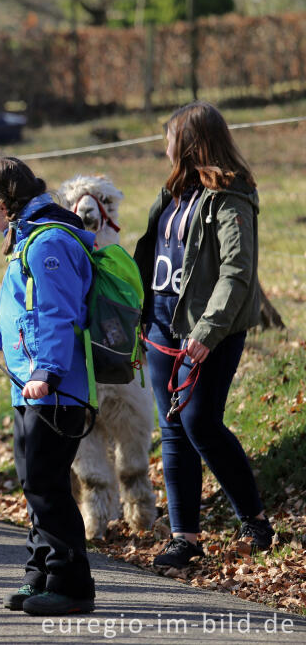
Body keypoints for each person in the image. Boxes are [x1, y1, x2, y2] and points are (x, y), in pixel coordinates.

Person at [133, 101, 272, 569]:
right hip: (160, 325)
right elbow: (150, 255)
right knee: (172, 431)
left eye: (169, 135)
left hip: (208, 330)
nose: (163, 144)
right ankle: (185, 538)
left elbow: (237, 272)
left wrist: (207, 331)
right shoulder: (171, 192)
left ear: (190, 141)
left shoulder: (231, 196)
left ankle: (254, 520)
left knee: (200, 423)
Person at [0, 157, 96, 616]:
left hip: (54, 389)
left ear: (1, 205)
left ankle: (71, 583)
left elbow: (60, 314)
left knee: (47, 483)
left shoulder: (49, 242)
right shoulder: (30, 236)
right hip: (32, 384)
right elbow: (30, 313)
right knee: (35, 481)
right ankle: (40, 574)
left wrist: (48, 373)